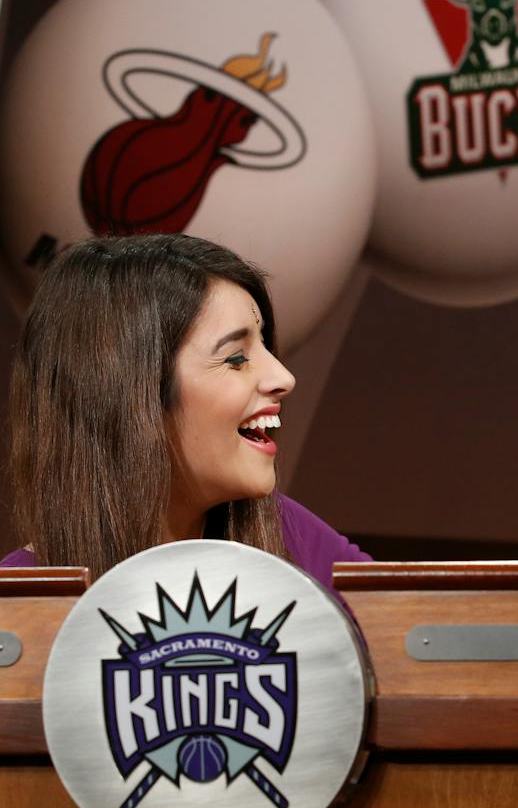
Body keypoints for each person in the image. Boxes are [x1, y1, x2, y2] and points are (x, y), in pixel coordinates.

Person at [3, 233, 368, 587]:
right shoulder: (19, 606)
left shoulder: (290, 534)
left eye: (265, 346)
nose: (283, 377)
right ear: (129, 393)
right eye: (236, 357)